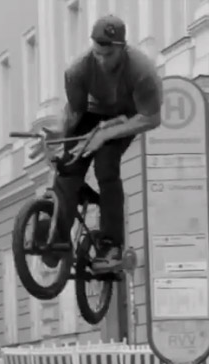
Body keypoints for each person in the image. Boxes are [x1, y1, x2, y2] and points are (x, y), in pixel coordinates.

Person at [38, 14, 163, 272]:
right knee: (69, 164)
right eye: (97, 54)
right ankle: (57, 238)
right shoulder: (77, 70)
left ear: (121, 48)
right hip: (92, 114)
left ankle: (111, 245)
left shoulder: (142, 71)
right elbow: (74, 113)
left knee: (106, 165)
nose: (102, 61)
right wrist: (61, 136)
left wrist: (105, 135)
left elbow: (151, 118)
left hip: (126, 117)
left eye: (108, 55)